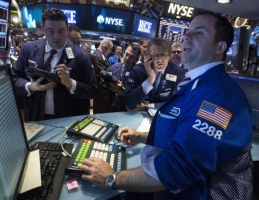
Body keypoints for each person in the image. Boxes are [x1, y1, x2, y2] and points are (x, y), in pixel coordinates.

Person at [80, 12, 253, 199]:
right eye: (188, 31)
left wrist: (112, 178)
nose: (187, 36)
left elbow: (176, 170)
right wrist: (143, 137)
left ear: (220, 47)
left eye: (199, 32)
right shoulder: (197, 83)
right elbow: (183, 132)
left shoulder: (219, 95)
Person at [12, 8, 98, 121]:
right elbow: (14, 77)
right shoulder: (29, 49)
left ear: (67, 29)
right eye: (50, 31)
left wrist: (70, 83)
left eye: (61, 31)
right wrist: (29, 86)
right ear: (43, 29)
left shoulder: (81, 56)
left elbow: (93, 90)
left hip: (67, 121)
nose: (56, 36)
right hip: (34, 117)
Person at [124, 38, 185, 110]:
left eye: (163, 55)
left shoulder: (177, 72)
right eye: (155, 55)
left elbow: (179, 101)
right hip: (138, 116)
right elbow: (129, 102)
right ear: (148, 56)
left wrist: (149, 106)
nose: (159, 60)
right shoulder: (137, 70)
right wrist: (150, 79)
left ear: (169, 56)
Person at [106, 44, 141, 112]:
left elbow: (137, 96)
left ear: (136, 58)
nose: (127, 58)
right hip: (110, 107)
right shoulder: (113, 67)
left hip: (127, 111)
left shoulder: (138, 73)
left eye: (132, 57)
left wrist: (123, 90)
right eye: (127, 54)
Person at [92, 38, 114, 113]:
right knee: (99, 112)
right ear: (106, 47)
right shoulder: (97, 55)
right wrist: (114, 78)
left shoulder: (101, 55)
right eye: (110, 49)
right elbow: (102, 71)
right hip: (100, 90)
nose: (110, 51)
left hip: (103, 89)